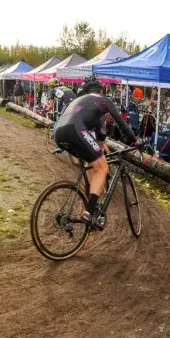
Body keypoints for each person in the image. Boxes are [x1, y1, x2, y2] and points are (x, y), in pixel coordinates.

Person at [54, 77, 139, 228]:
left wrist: (100, 144)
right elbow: (121, 124)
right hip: (75, 129)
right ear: (101, 91)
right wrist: (135, 141)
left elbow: (99, 133)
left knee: (91, 163)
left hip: (59, 132)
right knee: (103, 167)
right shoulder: (103, 99)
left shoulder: (80, 100)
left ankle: (90, 198)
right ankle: (89, 212)